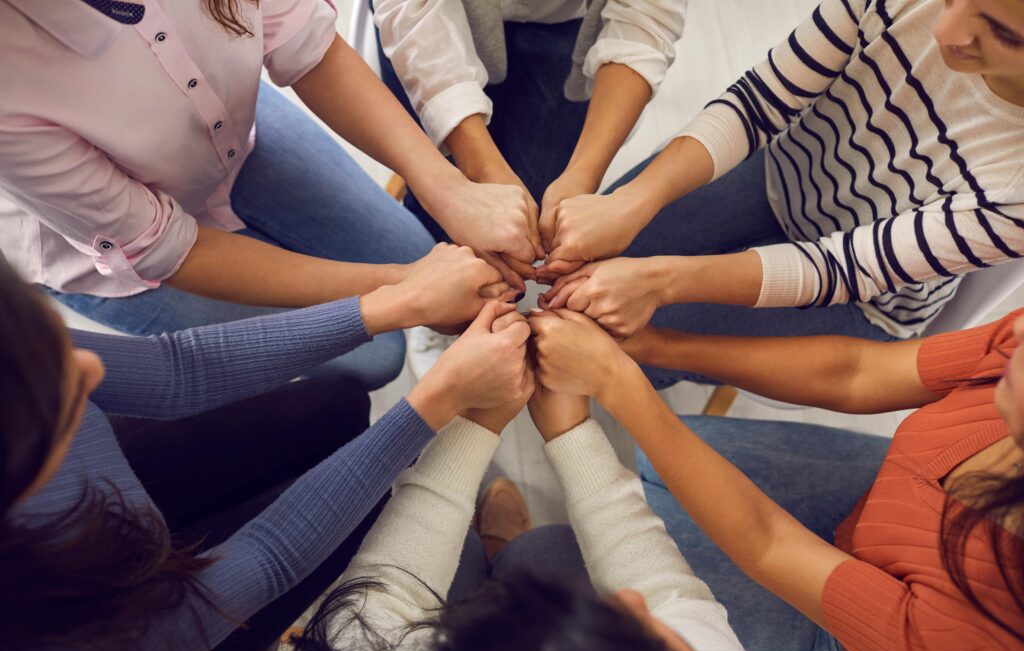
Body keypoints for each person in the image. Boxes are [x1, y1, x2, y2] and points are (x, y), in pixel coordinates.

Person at [0, 246, 533, 651]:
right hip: (143, 627)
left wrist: (394, 304)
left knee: (335, 403)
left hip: (113, 550)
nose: (91, 368)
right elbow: (270, 557)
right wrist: (440, 404)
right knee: (373, 512)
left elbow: (174, 370)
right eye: (60, 399)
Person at [0, 0, 539, 389]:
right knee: (374, 360)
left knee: (413, 250)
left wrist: (447, 189)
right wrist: (405, 291)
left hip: (227, 133)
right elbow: (167, 247)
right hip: (109, 247)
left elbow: (305, 45)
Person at [537, 0, 1024, 389]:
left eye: (1003, 33)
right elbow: (758, 102)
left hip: (863, 297)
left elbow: (841, 268)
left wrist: (659, 283)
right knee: (598, 266)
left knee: (615, 340)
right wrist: (630, 202)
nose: (946, 32)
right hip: (783, 170)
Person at [527, 307, 1024, 651]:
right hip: (879, 508)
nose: (1018, 330)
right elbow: (857, 371)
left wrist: (612, 385)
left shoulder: (983, 641)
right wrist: (653, 345)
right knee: (668, 458)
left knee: (557, 554)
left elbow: (766, 545)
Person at [281, 333, 772, 651]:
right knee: (550, 550)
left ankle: (487, 551)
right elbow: (670, 598)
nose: (629, 600)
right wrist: (570, 429)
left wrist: (480, 418)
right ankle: (499, 550)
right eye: (651, 645)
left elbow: (385, 594)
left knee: (481, 557)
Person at [372, 0, 688, 286]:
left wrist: (584, 174)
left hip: (563, 21)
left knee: (532, 203)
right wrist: (478, 171)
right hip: (424, 20)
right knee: (441, 202)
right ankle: (439, 285)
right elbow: (412, 13)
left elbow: (649, 13)